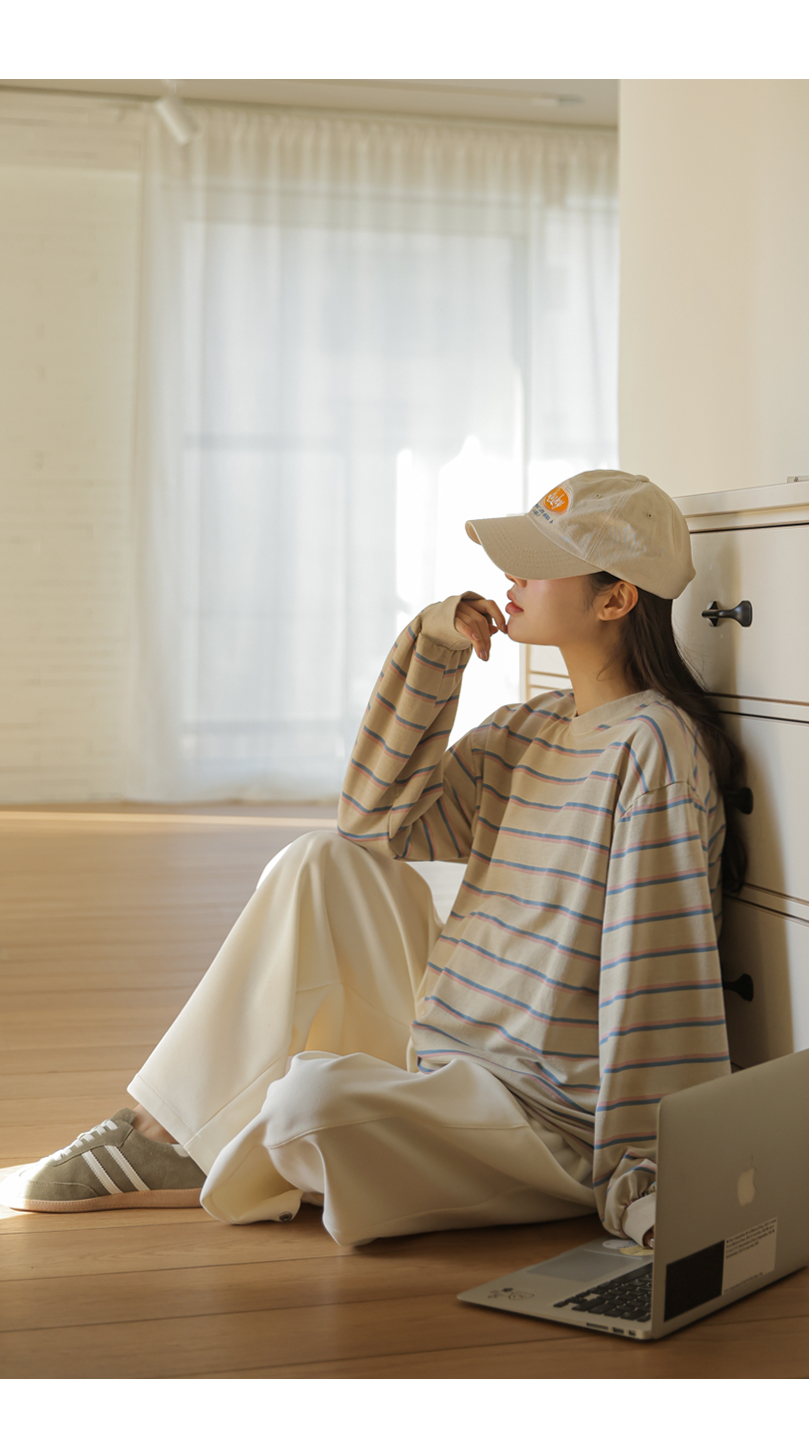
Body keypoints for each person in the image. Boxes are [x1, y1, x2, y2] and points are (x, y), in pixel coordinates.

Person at [0, 470, 745, 1250]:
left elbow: (656, 971)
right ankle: (162, 1130)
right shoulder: (529, 726)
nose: (512, 576)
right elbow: (374, 822)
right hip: (451, 1052)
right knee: (321, 862)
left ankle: (210, 1138)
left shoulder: (653, 747)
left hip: (544, 1117)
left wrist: (646, 1172)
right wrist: (435, 649)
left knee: (305, 1106)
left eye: (539, 561)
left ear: (616, 598)